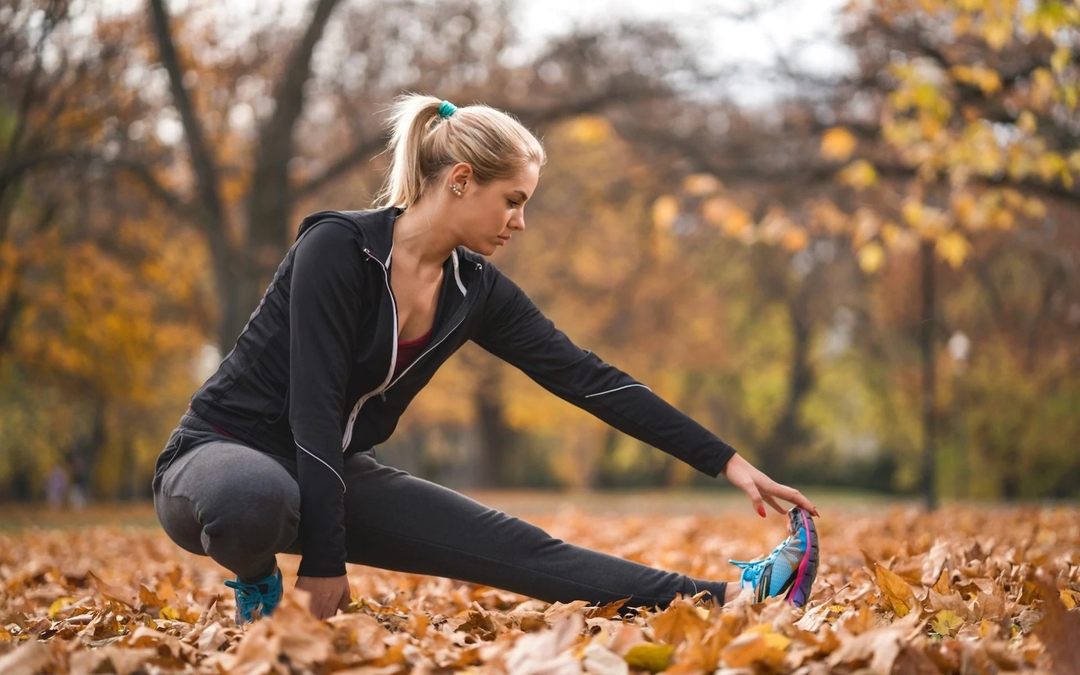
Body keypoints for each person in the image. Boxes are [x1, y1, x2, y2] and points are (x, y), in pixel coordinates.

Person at [152, 95, 821, 624]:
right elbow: (315, 406)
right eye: (513, 200)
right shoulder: (340, 249)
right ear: (462, 180)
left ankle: (730, 596)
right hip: (219, 457)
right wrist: (324, 560)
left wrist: (727, 461)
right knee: (252, 498)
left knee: (518, 546)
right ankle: (258, 581)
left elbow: (589, 379)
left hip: (330, 473)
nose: (519, 222)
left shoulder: (473, 290)